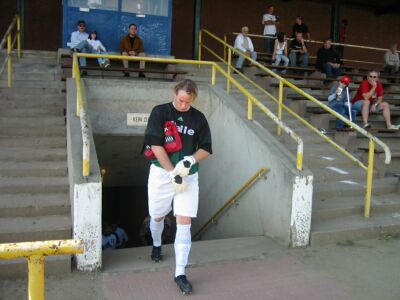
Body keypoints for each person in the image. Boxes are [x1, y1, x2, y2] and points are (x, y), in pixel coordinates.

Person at [144, 79, 212, 294]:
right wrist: (172, 172)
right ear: (175, 93)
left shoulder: (199, 118)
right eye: (181, 100)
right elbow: (156, 146)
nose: (183, 105)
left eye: (187, 102)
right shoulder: (160, 112)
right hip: (163, 173)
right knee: (157, 215)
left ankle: (180, 272)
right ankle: (156, 243)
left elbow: (206, 148)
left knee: (184, 221)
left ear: (194, 99)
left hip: (188, 176)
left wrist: (190, 161)